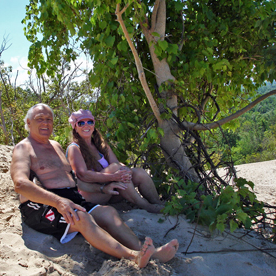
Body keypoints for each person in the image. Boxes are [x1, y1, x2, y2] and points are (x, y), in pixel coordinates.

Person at [10, 103, 179, 268]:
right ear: (28, 123)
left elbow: (75, 182)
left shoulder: (56, 146)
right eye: (40, 119)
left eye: (49, 119)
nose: (45, 123)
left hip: (72, 198)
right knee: (81, 218)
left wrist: (101, 189)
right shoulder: (23, 148)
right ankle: (133, 257)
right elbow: (20, 184)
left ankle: (146, 252)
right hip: (42, 205)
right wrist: (57, 202)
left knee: (108, 212)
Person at [66, 109, 164, 213]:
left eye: (89, 122)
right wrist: (113, 176)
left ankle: (157, 202)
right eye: (81, 123)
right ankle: (146, 206)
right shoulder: (74, 148)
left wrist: (126, 171)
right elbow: (83, 175)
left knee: (139, 173)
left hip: (110, 190)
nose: (86, 125)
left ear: (94, 125)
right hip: (91, 193)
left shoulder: (100, 145)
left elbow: (117, 163)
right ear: (75, 128)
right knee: (115, 168)